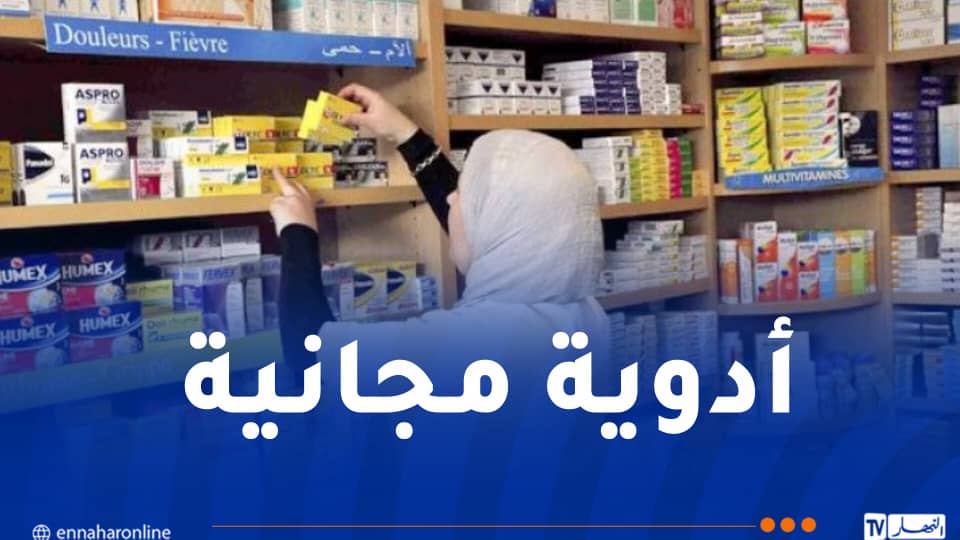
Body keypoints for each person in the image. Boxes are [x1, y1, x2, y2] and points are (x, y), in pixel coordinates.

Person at [270, 84, 608, 369]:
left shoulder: (465, 342)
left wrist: (298, 231)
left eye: (464, 194)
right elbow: (476, 236)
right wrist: (407, 136)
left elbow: (309, 353)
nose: (451, 198)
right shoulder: (587, 316)